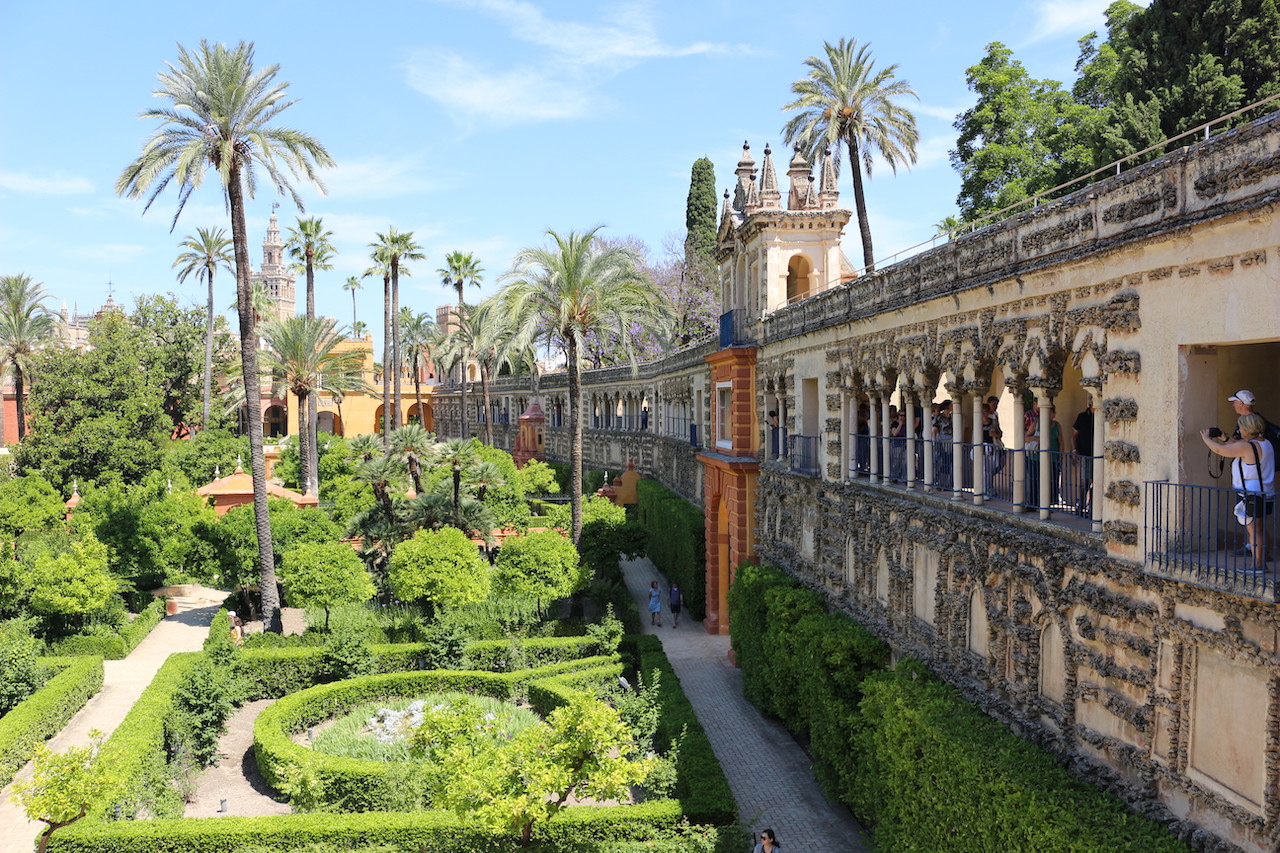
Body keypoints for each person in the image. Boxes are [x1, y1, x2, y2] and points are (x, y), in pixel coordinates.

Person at [1203, 413, 1275, 571]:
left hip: (1251, 494)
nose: (1239, 430)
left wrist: (1207, 439)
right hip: (1265, 492)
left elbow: (1221, 450)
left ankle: (1257, 565)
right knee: (1259, 527)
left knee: (1253, 529)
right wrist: (1223, 436)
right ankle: (1262, 559)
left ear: (1248, 428)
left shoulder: (1248, 446)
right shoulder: (1265, 443)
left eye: (1241, 427)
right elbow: (1235, 444)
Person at [1072, 398, 1096, 515]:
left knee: (1094, 482)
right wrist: (1074, 450)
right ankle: (1080, 506)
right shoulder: (1082, 417)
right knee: (1084, 482)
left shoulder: (1100, 416)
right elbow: (1074, 435)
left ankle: (1092, 508)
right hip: (1084, 454)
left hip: (1097, 456)